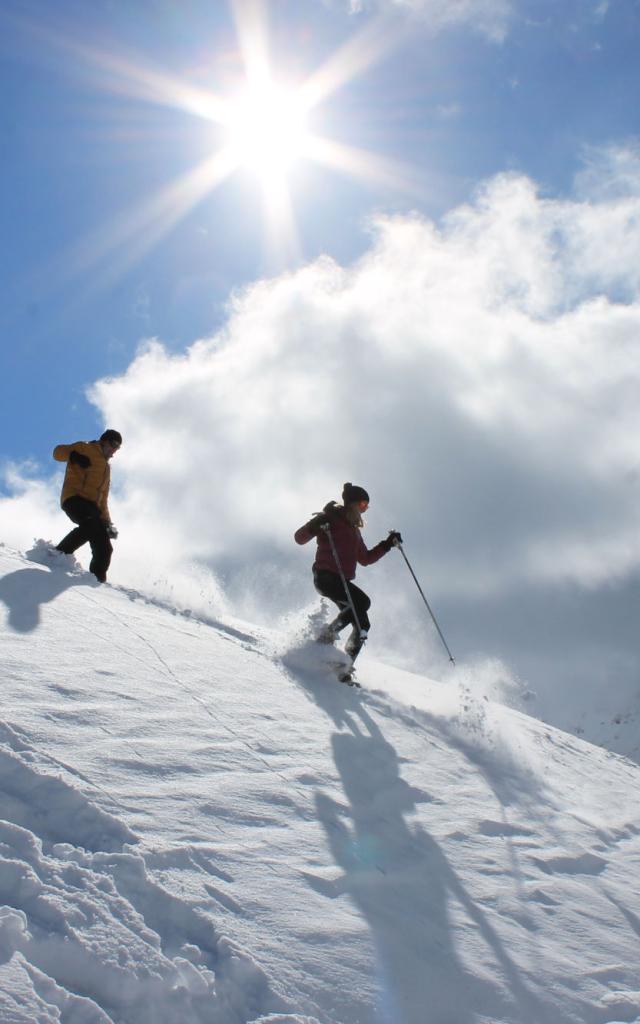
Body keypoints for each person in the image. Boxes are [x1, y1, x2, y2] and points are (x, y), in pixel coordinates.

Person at [294, 482, 401, 665]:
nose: (364, 510)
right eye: (362, 505)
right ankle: (326, 637)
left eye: (366, 506)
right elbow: (299, 538)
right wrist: (316, 525)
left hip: (341, 581)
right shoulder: (330, 519)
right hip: (326, 576)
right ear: (351, 503)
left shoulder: (354, 531)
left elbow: (365, 558)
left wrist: (387, 544)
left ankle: (343, 667)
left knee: (363, 625)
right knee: (361, 602)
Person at [53, 429, 122, 583]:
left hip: (93, 508)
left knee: (105, 547)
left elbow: (103, 499)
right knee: (90, 524)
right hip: (74, 499)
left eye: (117, 448)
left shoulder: (106, 468)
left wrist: (107, 523)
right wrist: (74, 455)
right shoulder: (85, 448)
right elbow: (57, 453)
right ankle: (60, 554)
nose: (113, 451)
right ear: (103, 441)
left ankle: (97, 580)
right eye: (112, 445)